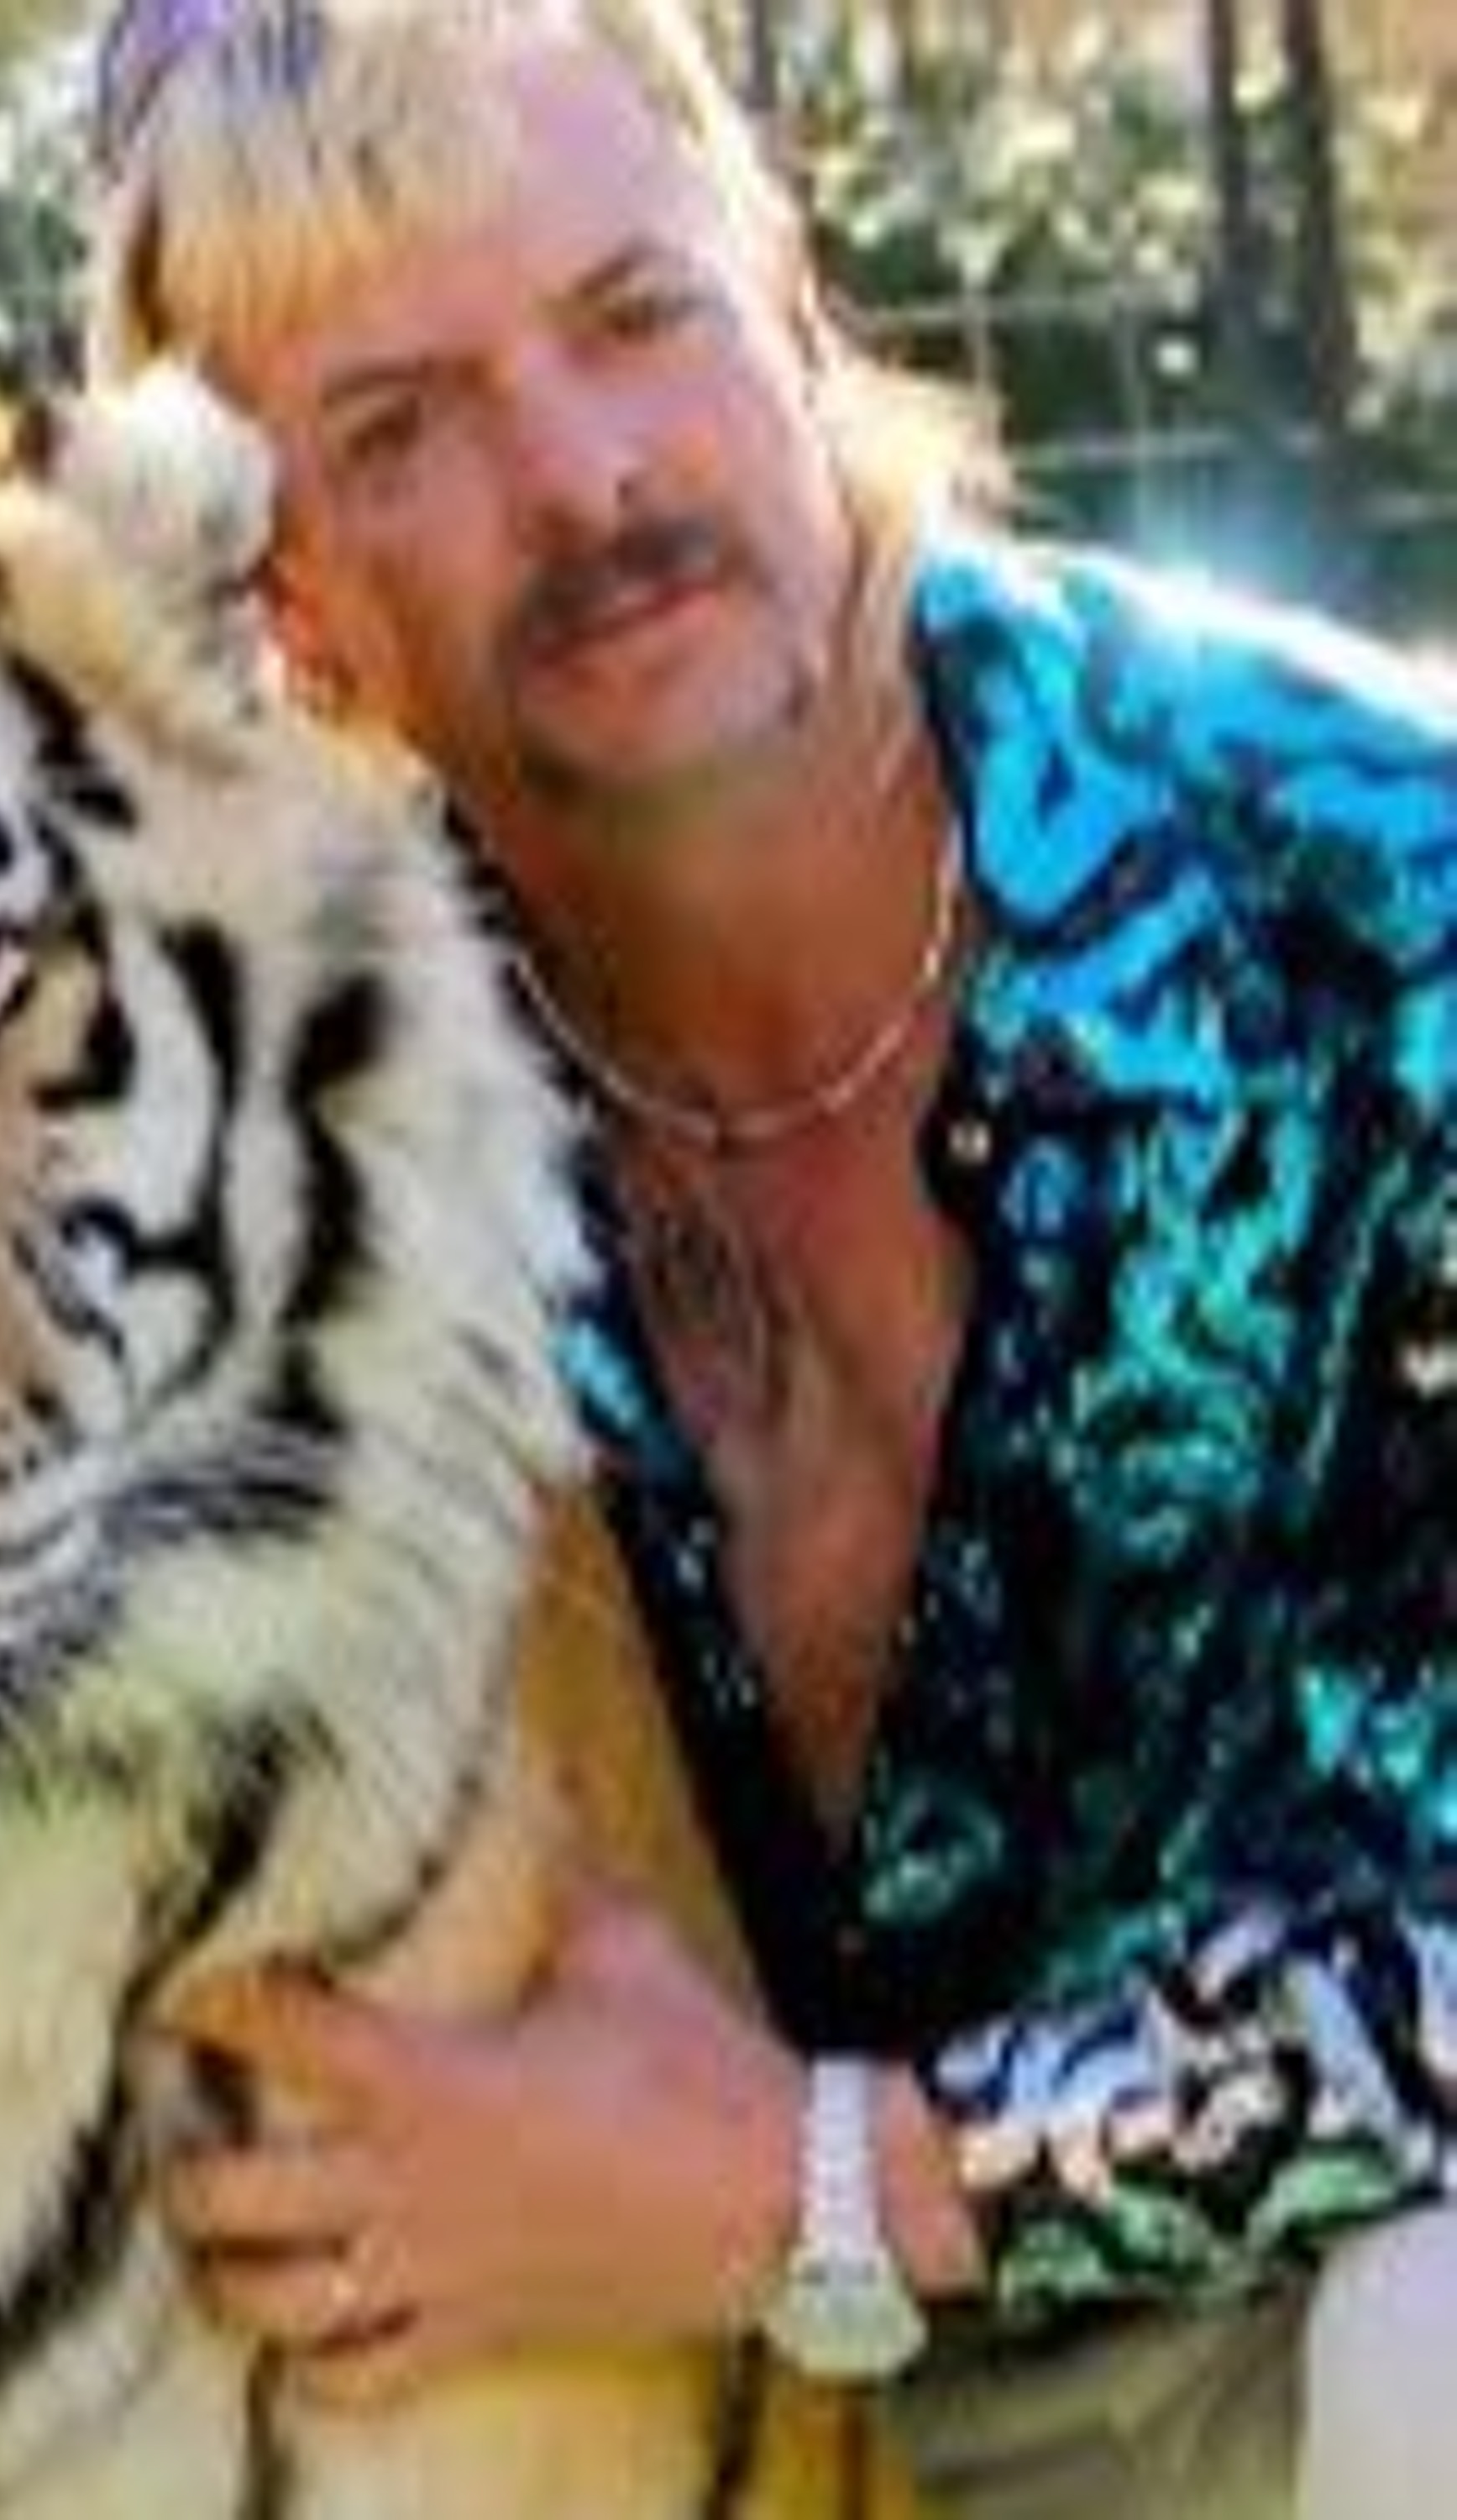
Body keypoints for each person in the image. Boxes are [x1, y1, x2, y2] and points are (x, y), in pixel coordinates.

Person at [77, 3, 1457, 2512]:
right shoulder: (282, 1119)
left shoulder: (1377, 894)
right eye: (400, 428)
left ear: (796, 303)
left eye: (637, 316)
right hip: (648, 2373)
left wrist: (830, 2186)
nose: (586, 478)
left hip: (1304, 2322)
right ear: (284, 596)